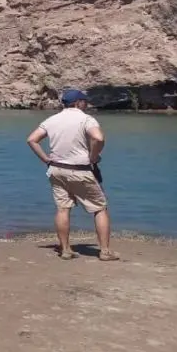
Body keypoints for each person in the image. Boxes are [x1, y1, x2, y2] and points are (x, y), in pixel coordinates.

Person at [26, 89, 119, 261]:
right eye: (85, 101)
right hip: (80, 170)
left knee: (63, 208)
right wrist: (93, 156)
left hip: (56, 169)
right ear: (78, 103)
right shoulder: (85, 118)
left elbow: (31, 139)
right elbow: (98, 138)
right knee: (99, 208)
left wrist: (46, 159)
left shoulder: (52, 119)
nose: (86, 104)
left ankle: (66, 250)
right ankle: (105, 251)